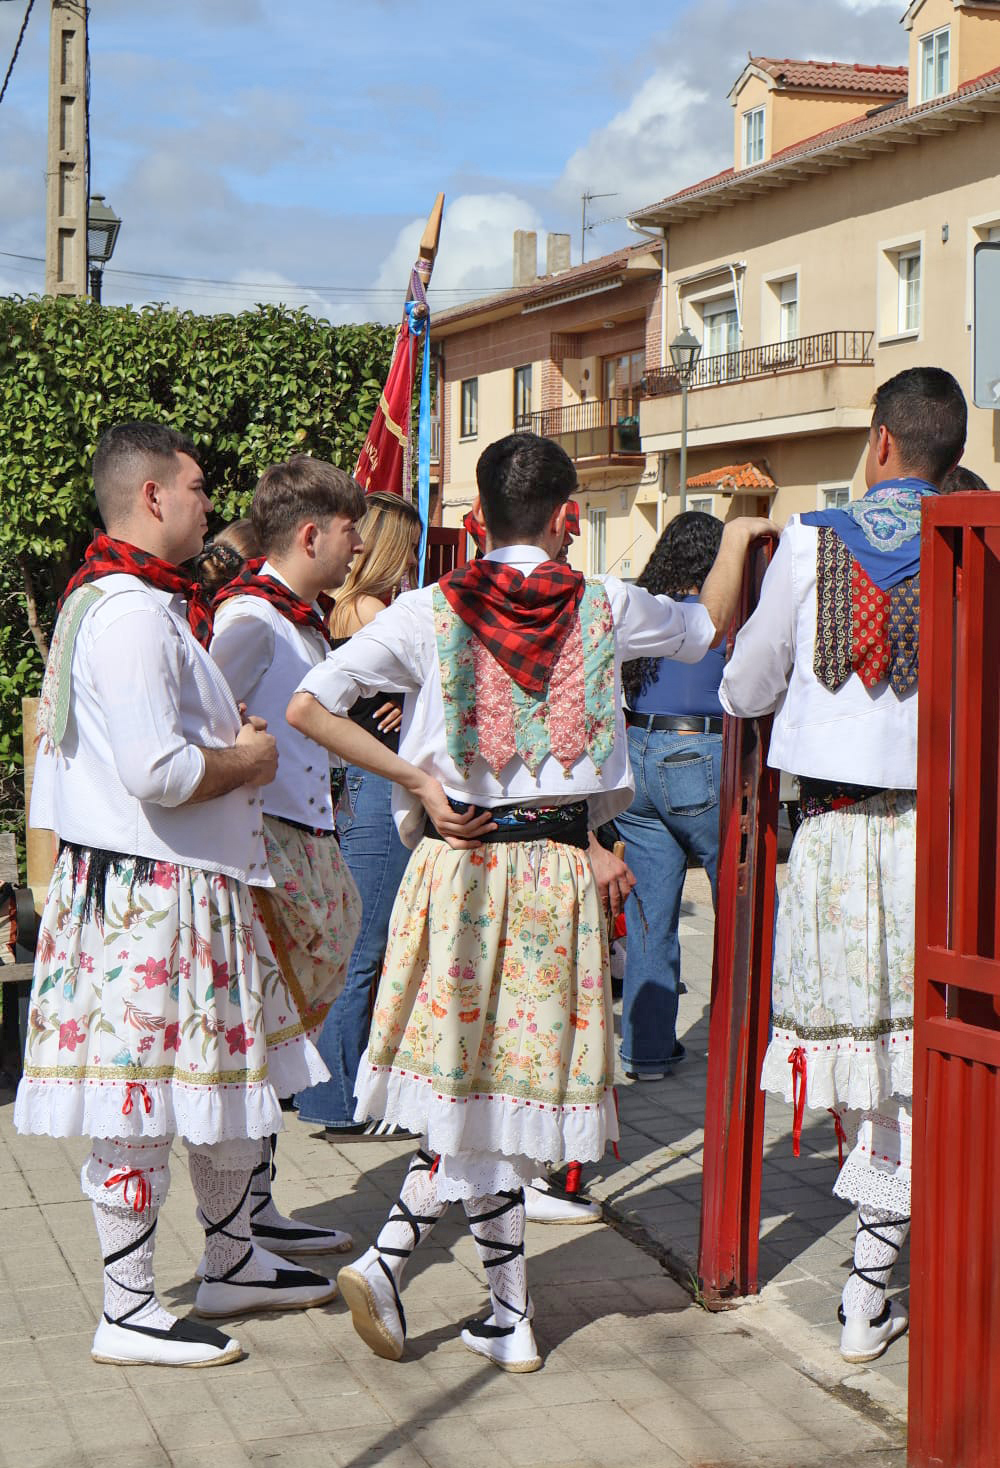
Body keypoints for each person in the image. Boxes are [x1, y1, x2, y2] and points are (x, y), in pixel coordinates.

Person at [287, 431, 775, 1373]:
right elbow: (706, 627)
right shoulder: (605, 604)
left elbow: (311, 702)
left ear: (477, 522)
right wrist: (740, 539)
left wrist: (419, 781)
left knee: (470, 1090)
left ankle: (446, 1287)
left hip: (459, 868)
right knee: (507, 1092)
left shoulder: (427, 612)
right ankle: (491, 1311)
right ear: (565, 519)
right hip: (553, 870)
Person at [14, 422, 337, 1370]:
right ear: (153, 497)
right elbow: (155, 770)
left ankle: (232, 1258)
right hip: (152, 897)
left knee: (215, 1094)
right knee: (142, 1102)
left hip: (175, 890)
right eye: (197, 486)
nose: (210, 501)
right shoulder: (127, 613)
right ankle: (125, 1309)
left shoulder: (130, 601)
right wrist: (251, 756)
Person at [719, 367, 967, 1363]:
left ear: (877, 444)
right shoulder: (970, 545)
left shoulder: (813, 541)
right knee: (918, 1061)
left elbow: (745, 686)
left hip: (826, 836)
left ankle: (867, 1289)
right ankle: (873, 1283)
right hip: (937, 838)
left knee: (869, 1067)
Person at [209, 456, 367, 1255]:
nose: (358, 548)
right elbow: (204, 725)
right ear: (312, 534)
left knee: (287, 1034)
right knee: (269, 1036)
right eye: (349, 533)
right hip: (264, 849)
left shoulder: (291, 616)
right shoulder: (249, 619)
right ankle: (236, 1224)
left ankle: (258, 1205)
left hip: (300, 839)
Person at [294, 491, 421, 1142]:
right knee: (364, 949)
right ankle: (338, 1101)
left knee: (350, 945)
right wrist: (411, 692)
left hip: (350, 786)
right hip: (374, 787)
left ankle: (334, 1093)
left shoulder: (338, 608)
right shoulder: (372, 611)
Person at [617, 512, 727, 1081]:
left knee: (648, 917)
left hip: (637, 756)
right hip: (699, 757)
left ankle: (648, 1051)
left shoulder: (648, 613)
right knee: (745, 907)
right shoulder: (720, 618)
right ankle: (750, 1039)